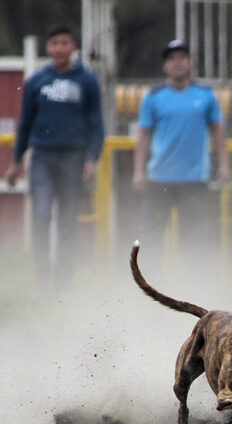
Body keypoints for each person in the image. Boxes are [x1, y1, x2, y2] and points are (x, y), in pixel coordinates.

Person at [4, 26, 104, 292]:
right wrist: (15, 161)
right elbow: (25, 122)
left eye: (64, 43)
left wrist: (92, 159)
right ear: (48, 48)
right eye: (54, 43)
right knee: (41, 213)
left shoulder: (86, 80)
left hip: (73, 157)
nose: (59, 48)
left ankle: (63, 281)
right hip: (42, 157)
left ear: (73, 47)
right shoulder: (37, 81)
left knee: (68, 220)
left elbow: (96, 123)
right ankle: (43, 278)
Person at [132, 40, 230, 266]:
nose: (177, 63)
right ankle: (149, 279)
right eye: (172, 58)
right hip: (160, 178)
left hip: (194, 179)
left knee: (195, 237)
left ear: (190, 63)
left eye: (182, 58)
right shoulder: (153, 97)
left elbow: (218, 131)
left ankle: (191, 281)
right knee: (152, 236)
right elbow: (143, 136)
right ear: (165, 65)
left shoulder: (205, 95)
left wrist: (224, 165)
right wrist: (138, 170)